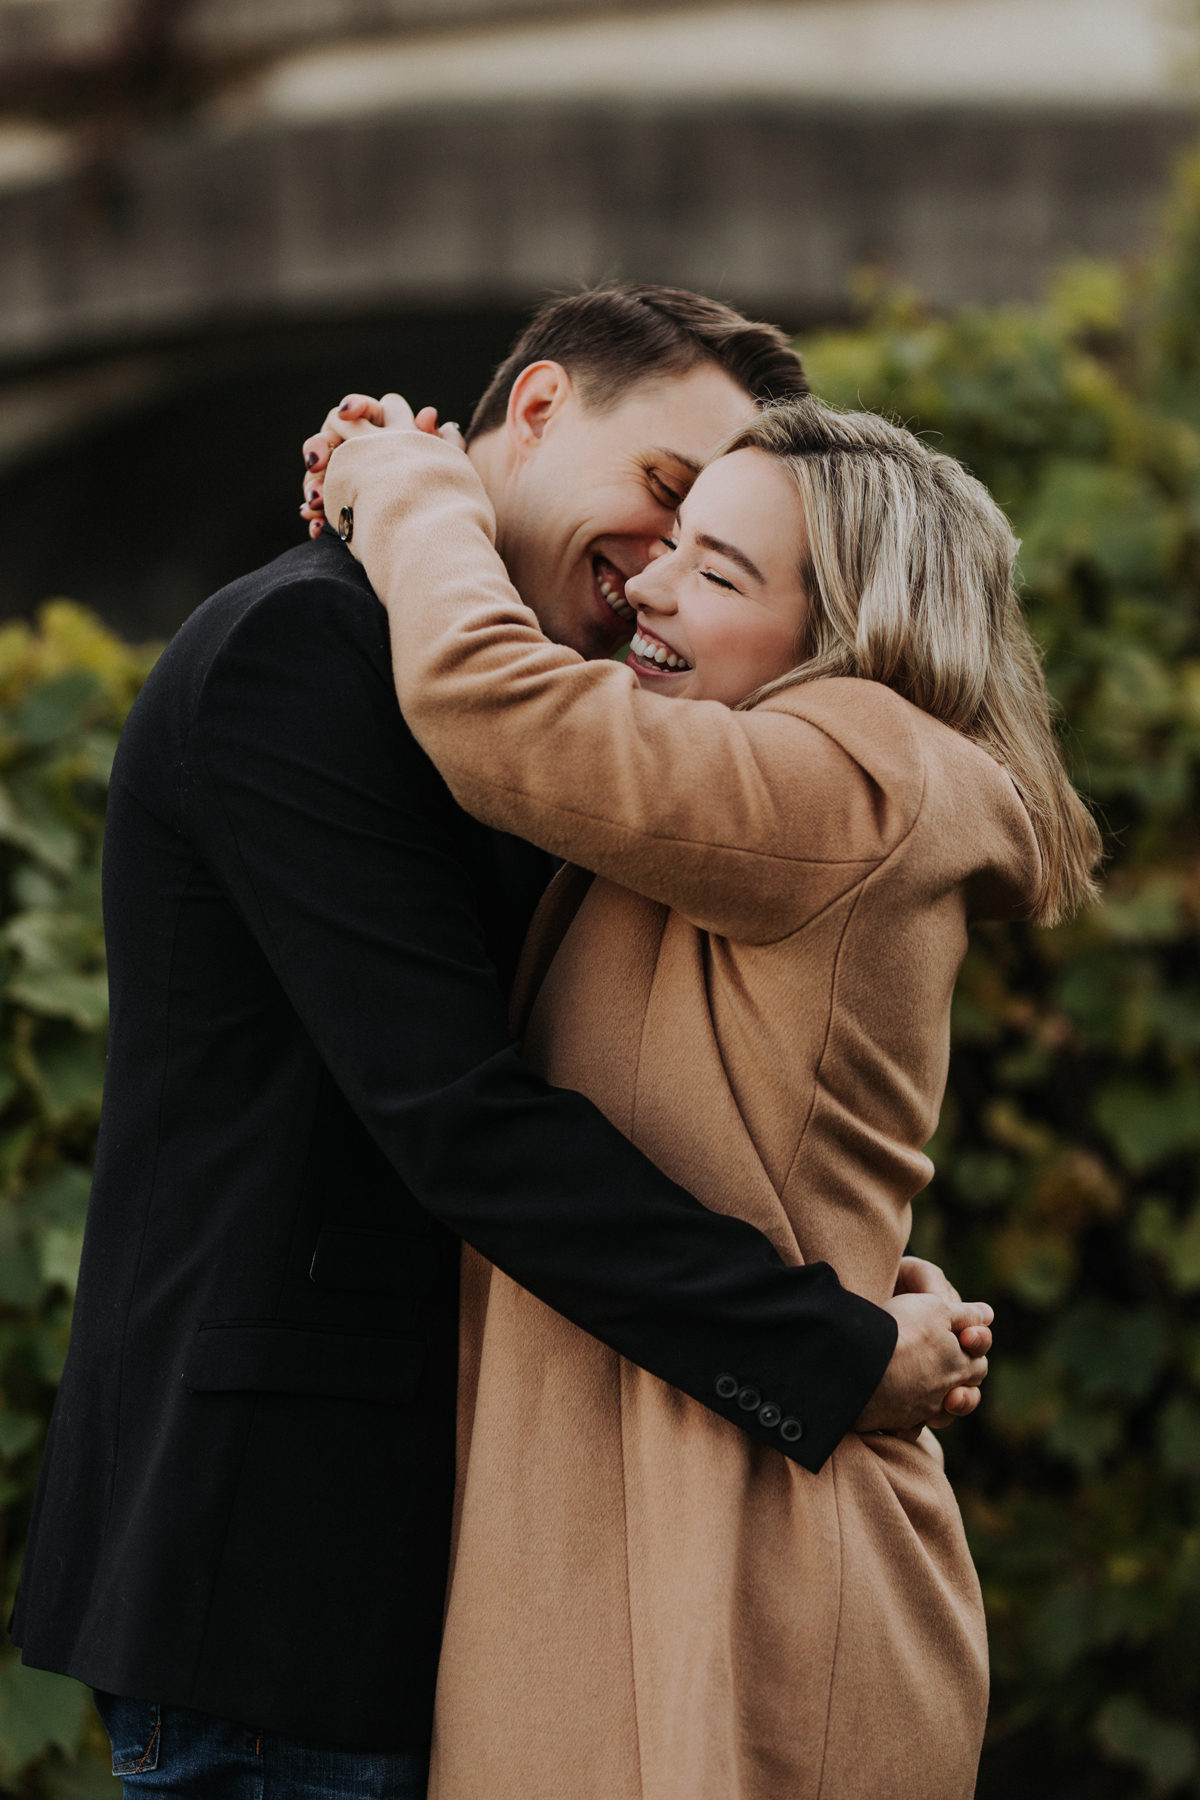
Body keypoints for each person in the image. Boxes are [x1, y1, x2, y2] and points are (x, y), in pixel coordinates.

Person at [9, 288, 990, 1800]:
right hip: (287, 1571)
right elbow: (461, 1119)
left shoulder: (584, 704)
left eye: (706, 548)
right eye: (663, 494)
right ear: (537, 408)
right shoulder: (308, 649)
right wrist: (825, 1346)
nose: (657, 570)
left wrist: (846, 1253)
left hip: (434, 1570)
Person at [315, 388, 1102, 1800]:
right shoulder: (755, 796)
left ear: (846, 636)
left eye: (720, 573)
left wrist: (414, 485)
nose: (651, 586)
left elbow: (490, 703)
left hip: (758, 1573)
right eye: (672, 541)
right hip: (664, 1529)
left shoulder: (851, 777)